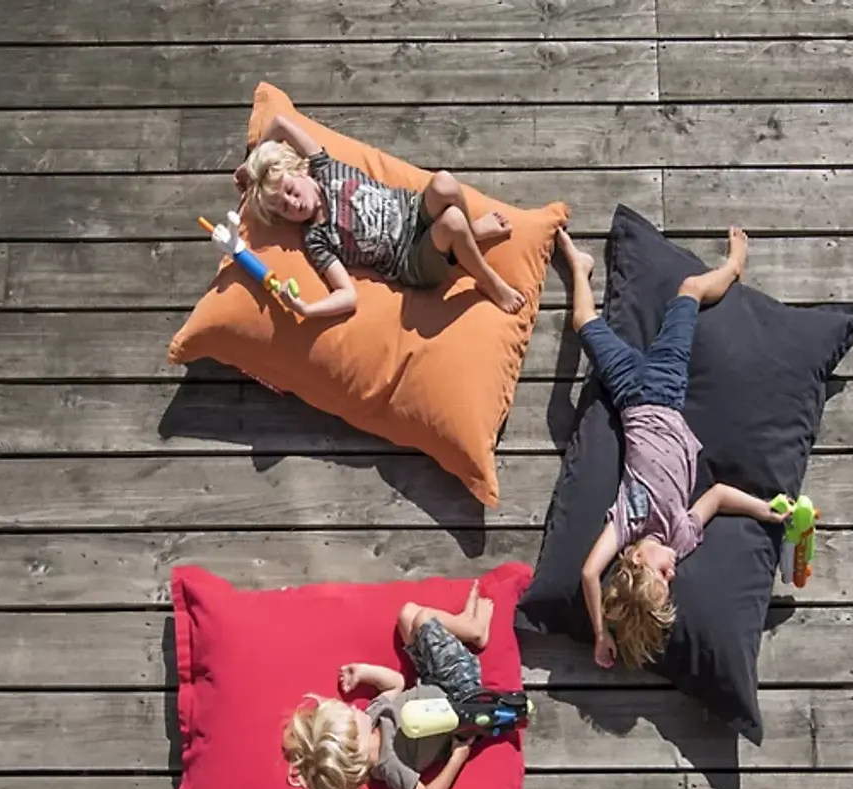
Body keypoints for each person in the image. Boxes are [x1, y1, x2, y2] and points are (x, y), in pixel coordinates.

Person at [554, 226, 791, 671]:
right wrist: (764, 509)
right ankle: (730, 267)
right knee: (689, 291)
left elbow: (588, 573)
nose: (673, 571)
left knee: (583, 322)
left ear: (636, 560)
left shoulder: (627, 522)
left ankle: (581, 267)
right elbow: (717, 496)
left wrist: (601, 633)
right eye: (671, 579)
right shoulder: (679, 539)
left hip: (629, 393)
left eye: (662, 574)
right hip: (665, 389)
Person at [233, 114, 525, 318]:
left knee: (444, 182)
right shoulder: (316, 238)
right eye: (283, 208)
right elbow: (347, 296)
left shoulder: (323, 165)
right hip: (410, 258)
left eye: (290, 191)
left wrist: (250, 166)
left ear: (300, 171)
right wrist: (306, 309)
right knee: (452, 222)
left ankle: (471, 234)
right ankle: (487, 280)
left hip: (414, 210)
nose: (293, 203)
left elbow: (280, 123)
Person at [282, 584, 494, 789]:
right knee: (423, 619)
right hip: (460, 694)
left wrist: (364, 672)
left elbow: (396, 683)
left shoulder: (373, 718)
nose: (354, 708)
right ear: (356, 747)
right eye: (351, 716)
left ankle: (463, 625)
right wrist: (458, 757)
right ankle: (475, 631)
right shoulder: (390, 764)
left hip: (433, 680)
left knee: (407, 615)